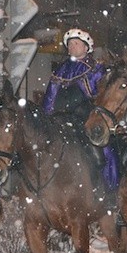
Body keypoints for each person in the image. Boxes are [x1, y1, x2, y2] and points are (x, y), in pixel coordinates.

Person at [42, 28, 119, 191]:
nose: (72, 47)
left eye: (76, 43)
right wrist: (46, 118)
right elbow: (50, 97)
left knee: (104, 150)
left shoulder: (96, 68)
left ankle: (108, 186)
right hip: (60, 119)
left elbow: (99, 94)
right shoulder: (59, 70)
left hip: (86, 117)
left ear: (86, 47)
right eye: (69, 44)